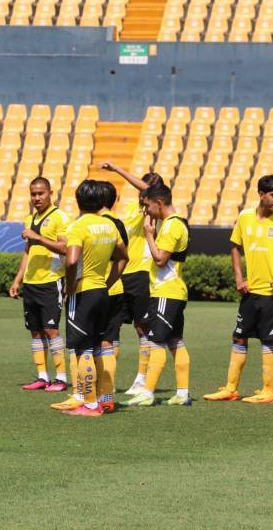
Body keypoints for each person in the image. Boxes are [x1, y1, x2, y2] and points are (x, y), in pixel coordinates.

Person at [204, 175, 273, 404]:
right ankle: (230, 389)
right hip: (249, 292)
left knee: (267, 340)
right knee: (239, 336)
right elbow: (235, 247)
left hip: (271, 294)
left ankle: (269, 391)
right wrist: (239, 278)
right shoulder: (245, 217)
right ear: (261, 194)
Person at [53, 180, 127, 416]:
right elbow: (124, 257)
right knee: (98, 346)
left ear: (78, 200)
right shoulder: (109, 226)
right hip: (102, 292)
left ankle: (90, 404)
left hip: (83, 292)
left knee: (82, 348)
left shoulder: (78, 226)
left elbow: (72, 260)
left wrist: (70, 286)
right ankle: (103, 399)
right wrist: (109, 282)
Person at [100, 162, 164, 395]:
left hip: (141, 274)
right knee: (112, 328)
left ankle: (141, 378)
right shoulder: (128, 210)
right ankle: (109, 380)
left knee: (141, 327)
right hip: (119, 273)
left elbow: (148, 191)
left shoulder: (152, 212)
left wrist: (118, 169)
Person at [125, 184, 192, 407]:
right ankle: (182, 394)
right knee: (175, 341)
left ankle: (148, 392)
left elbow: (160, 259)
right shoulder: (175, 223)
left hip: (166, 292)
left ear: (159, 203)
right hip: (172, 291)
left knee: (156, 341)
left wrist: (149, 235)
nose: (146, 210)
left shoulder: (172, 226)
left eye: (148, 205)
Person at [8, 177, 70, 392]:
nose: (36, 198)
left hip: (51, 282)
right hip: (32, 283)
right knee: (35, 331)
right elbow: (28, 251)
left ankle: (61, 378)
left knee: (51, 329)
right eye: (33, 194)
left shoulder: (59, 217)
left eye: (40, 193)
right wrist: (18, 280)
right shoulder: (30, 218)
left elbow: (65, 248)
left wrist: (39, 237)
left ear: (50, 192)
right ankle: (42, 376)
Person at [96, 181, 129, 411]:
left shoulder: (100, 225)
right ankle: (107, 392)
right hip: (117, 287)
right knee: (110, 340)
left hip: (99, 288)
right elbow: (123, 257)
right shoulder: (119, 223)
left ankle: (96, 392)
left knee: (96, 343)